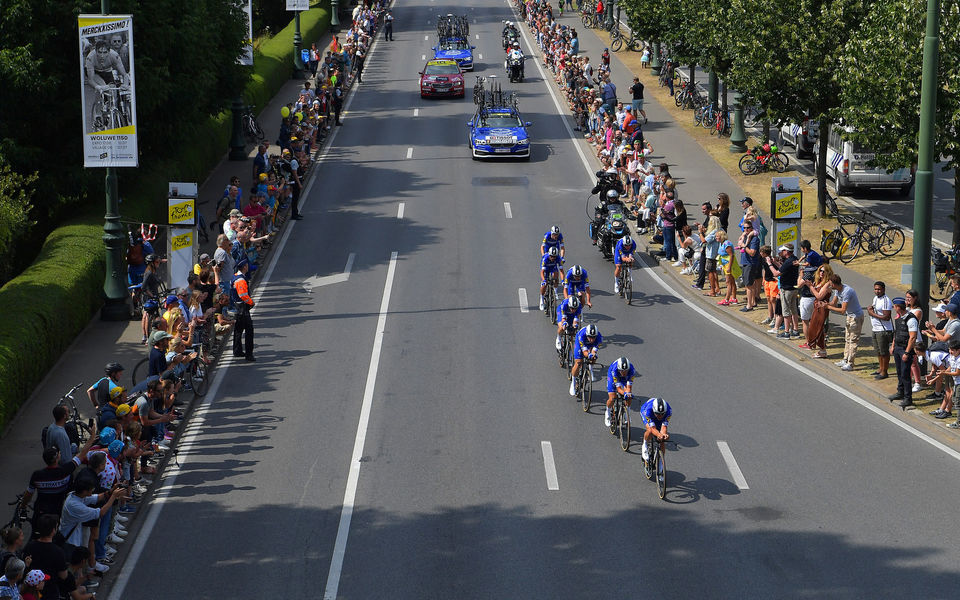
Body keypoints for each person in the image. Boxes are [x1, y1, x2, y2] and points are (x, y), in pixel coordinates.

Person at [827, 274, 864, 371]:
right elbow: (833, 303)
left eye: (831, 284)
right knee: (847, 339)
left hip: (856, 317)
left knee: (853, 341)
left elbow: (842, 310)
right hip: (849, 316)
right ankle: (845, 359)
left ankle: (850, 364)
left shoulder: (847, 291)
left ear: (835, 284)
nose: (830, 286)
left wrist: (829, 307)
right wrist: (825, 304)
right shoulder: (837, 290)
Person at [887, 297, 919, 408]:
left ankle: (908, 398)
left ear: (897, 307)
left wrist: (906, 352)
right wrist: (893, 345)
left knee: (905, 374)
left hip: (906, 349)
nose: (893, 308)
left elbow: (912, 337)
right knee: (900, 372)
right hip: (898, 348)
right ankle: (900, 392)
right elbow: (897, 332)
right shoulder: (899, 317)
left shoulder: (911, 319)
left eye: (894, 306)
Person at [768, 244, 799, 339]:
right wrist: (776, 263)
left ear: (787, 251)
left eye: (783, 250)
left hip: (786, 289)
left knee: (786, 311)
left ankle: (786, 332)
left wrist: (769, 264)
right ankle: (795, 330)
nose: (781, 252)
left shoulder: (789, 261)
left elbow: (776, 273)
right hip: (793, 288)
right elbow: (784, 268)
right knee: (794, 310)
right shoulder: (794, 259)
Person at [867, 281, 894, 379]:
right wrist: (871, 309)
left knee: (884, 352)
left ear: (883, 289)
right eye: (875, 289)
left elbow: (887, 317)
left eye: (879, 289)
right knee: (878, 351)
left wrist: (871, 313)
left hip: (883, 330)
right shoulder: (876, 298)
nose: (877, 291)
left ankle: (884, 372)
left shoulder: (886, 300)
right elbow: (874, 308)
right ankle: (880, 368)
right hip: (875, 328)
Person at [231, 259, 256, 361]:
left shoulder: (235, 276)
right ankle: (249, 354)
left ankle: (237, 350)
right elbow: (243, 296)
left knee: (238, 329)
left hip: (237, 307)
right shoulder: (241, 280)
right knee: (249, 331)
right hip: (242, 308)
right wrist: (251, 303)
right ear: (245, 267)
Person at [569, 324, 602, 396]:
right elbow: (584, 352)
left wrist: (592, 355)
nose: (592, 339)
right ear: (587, 335)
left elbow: (594, 351)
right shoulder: (582, 335)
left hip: (590, 346)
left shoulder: (599, 338)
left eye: (593, 337)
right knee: (578, 362)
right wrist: (588, 354)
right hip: (581, 343)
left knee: (593, 357)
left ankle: (590, 368)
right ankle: (573, 382)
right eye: (590, 337)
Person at [605, 357, 635, 427]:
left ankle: (627, 414)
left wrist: (627, 393)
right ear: (619, 369)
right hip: (613, 377)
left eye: (626, 371)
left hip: (625, 379)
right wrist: (624, 393)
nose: (624, 373)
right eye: (622, 371)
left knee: (629, 395)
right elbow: (618, 389)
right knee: (612, 397)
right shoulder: (614, 370)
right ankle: (608, 412)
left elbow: (629, 387)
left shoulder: (632, 370)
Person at [640, 397, 671, 461]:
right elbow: (653, 428)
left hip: (656, 414)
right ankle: (645, 444)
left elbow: (664, 427)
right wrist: (658, 434)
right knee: (650, 430)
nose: (660, 416)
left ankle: (661, 461)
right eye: (658, 414)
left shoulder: (669, 411)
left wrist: (664, 434)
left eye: (662, 414)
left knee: (662, 440)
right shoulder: (648, 411)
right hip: (646, 412)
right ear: (654, 410)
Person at [539, 246, 563, 312]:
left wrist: (563, 280)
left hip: (553, 267)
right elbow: (542, 272)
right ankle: (541, 299)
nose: (553, 258)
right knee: (545, 284)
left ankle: (555, 291)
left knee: (556, 276)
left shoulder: (558, 258)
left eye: (554, 257)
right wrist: (544, 280)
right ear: (549, 255)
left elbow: (561, 271)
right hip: (546, 268)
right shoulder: (545, 258)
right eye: (551, 256)